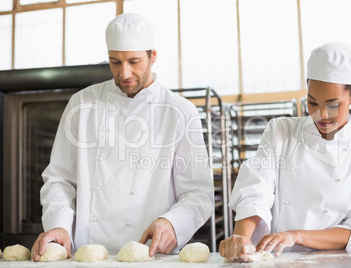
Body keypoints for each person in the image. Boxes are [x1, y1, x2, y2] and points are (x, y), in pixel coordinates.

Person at [31, 13, 214, 261]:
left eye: (134, 61)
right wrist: (60, 224)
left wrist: (172, 223)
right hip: (87, 255)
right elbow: (59, 179)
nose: (124, 72)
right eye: (115, 62)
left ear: (153, 56)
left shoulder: (180, 112)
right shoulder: (82, 104)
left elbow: (198, 192)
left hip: (152, 254)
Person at [219, 42, 351, 261]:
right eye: (312, 102)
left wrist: (296, 235)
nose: (321, 114)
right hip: (276, 260)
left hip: (333, 263)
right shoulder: (281, 130)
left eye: (332, 105)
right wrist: (240, 239)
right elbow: (256, 188)